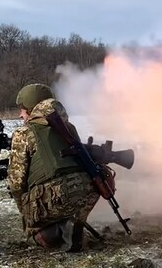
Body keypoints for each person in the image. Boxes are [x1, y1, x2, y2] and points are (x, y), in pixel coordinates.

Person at [7, 83, 101, 252]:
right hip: (86, 194)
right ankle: (72, 224)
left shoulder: (23, 134)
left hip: (55, 197)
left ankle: (59, 231)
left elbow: (16, 183)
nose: (20, 115)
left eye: (22, 109)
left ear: (30, 107)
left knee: (34, 233)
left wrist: (27, 214)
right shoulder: (69, 128)